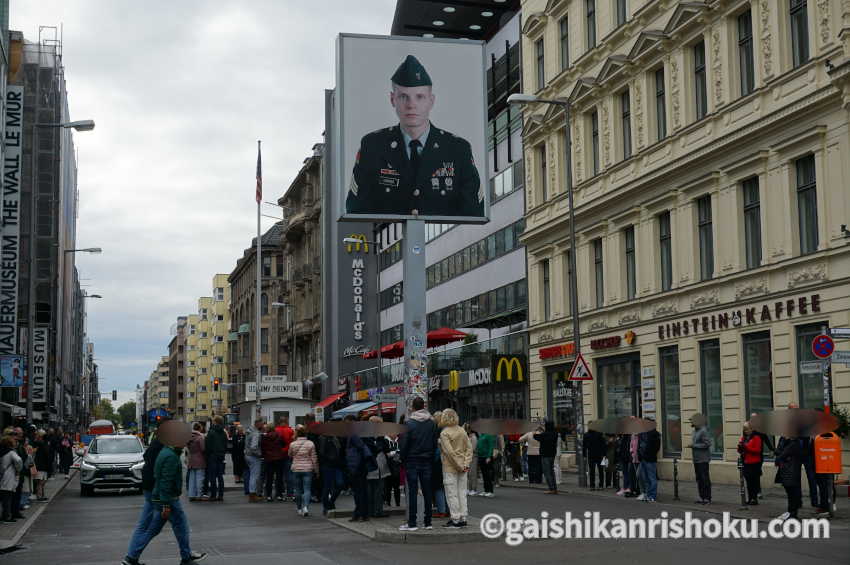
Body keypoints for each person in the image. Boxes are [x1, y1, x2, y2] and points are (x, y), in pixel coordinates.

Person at [345, 54, 483, 218]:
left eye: (419, 97)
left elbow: (474, 211)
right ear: (392, 99)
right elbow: (356, 209)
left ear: (431, 101)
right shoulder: (373, 146)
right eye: (404, 96)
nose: (411, 105)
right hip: (390, 239)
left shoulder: (458, 149)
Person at [124, 422, 207, 565]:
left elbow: (148, 459)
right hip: (161, 493)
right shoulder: (168, 452)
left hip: (154, 490)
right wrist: (165, 502)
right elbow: (165, 479)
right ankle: (185, 557)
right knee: (163, 526)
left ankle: (131, 557)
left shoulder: (160, 444)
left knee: (149, 527)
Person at [398, 396, 438, 531]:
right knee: (427, 491)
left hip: (412, 461)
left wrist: (403, 459)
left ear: (413, 407)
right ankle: (428, 522)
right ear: (424, 406)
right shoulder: (432, 423)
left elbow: (404, 445)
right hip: (427, 460)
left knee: (413, 492)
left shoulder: (409, 424)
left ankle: (413, 522)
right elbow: (434, 444)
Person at [438, 408, 472, 528]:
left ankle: (455, 518)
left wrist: (458, 466)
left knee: (451, 493)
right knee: (462, 492)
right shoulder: (462, 431)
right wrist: (465, 464)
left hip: (450, 467)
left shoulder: (444, 433)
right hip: (463, 467)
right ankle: (463, 516)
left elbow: (449, 453)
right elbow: (469, 449)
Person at [345, 415, 374, 522]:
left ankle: (361, 514)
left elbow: (361, 447)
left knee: (359, 491)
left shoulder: (354, 433)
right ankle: (360, 513)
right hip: (360, 465)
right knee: (361, 491)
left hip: (357, 466)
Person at [363, 416, 391, 518]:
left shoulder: (366, 435)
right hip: (376, 465)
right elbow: (382, 449)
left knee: (371, 490)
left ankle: (371, 511)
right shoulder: (378, 436)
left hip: (370, 466)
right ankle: (377, 511)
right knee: (378, 490)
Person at [289, 425, 318, 517]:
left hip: (296, 468)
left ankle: (299, 508)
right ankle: (305, 507)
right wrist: (317, 470)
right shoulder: (311, 443)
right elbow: (314, 458)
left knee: (297, 489)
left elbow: (289, 455)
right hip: (308, 469)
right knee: (307, 489)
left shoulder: (293, 444)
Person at [775, 432, 804, 521]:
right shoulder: (785, 441)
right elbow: (778, 452)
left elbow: (781, 455)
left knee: (792, 492)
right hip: (787, 471)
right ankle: (791, 512)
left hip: (791, 471)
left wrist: (779, 455)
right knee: (791, 492)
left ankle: (793, 513)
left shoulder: (794, 443)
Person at [318, 431, 345, 515]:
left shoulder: (336, 437)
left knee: (340, 484)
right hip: (327, 465)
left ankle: (330, 502)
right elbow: (321, 452)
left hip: (336, 465)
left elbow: (340, 450)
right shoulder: (322, 438)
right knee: (327, 486)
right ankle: (327, 506)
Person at [687, 414, 713, 504]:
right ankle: (701, 497)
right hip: (696, 459)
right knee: (699, 478)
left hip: (703, 459)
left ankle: (707, 498)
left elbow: (708, 444)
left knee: (704, 478)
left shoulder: (703, 431)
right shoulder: (695, 431)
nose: (691, 422)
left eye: (692, 421)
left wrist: (694, 445)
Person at [204, 416, 227, 502]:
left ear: (215, 422)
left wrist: (207, 455)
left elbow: (208, 445)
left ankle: (213, 495)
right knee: (220, 476)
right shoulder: (224, 432)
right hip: (221, 456)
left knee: (212, 476)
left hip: (212, 456)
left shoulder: (211, 432)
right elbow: (225, 445)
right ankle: (220, 495)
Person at [738, 423, 763, 505]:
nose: (746, 431)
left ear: (752, 429)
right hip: (746, 462)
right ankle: (750, 498)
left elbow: (757, 450)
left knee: (754, 481)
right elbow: (740, 450)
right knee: (748, 481)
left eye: (747, 429)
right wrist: (740, 447)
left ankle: (754, 499)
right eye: (745, 429)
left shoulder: (757, 438)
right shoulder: (744, 438)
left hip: (754, 462)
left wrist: (746, 447)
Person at [0, 434, 23, 523]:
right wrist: (18, 469)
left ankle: (4, 515)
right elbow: (18, 461)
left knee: (3, 497)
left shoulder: (2, 451)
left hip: (2, 476)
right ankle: (7, 516)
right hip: (9, 477)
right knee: (8, 497)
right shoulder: (11, 452)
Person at [260, 423, 285, 502]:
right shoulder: (280, 436)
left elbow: (262, 448)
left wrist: (264, 455)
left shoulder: (265, 437)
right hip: (279, 458)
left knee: (269, 477)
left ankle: (269, 495)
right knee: (279, 477)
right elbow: (283, 444)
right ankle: (279, 495)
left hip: (269, 458)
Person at [431, 411, 448, 518]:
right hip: (447, 462)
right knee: (446, 488)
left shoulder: (438, 431)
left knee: (438, 487)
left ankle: (442, 510)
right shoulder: (448, 430)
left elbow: (437, 450)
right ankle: (447, 509)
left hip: (438, 463)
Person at [534, 421, 558, 494]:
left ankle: (551, 488)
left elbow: (535, 436)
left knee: (547, 472)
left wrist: (536, 430)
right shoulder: (554, 434)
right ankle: (554, 488)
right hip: (552, 454)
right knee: (552, 471)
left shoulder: (544, 434)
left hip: (545, 455)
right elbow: (546, 434)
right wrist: (543, 430)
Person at [637, 426, 661, 502]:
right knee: (643, 477)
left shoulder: (655, 434)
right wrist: (640, 455)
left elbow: (656, 447)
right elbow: (640, 445)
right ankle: (647, 494)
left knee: (651, 478)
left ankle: (652, 496)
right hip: (643, 458)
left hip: (650, 459)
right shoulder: (642, 433)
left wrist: (648, 455)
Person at [275, 416, 295, 501]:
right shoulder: (290, 431)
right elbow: (292, 443)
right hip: (287, 455)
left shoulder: (275, 430)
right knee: (289, 475)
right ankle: (290, 493)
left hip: (277, 455)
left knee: (279, 475)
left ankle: (279, 493)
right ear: (286, 422)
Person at [244, 419, 264, 503]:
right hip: (253, 456)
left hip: (247, 455)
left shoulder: (249, 431)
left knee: (252, 475)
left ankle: (252, 494)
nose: (263, 425)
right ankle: (252, 495)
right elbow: (254, 447)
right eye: (262, 424)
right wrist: (260, 454)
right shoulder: (255, 433)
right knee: (254, 476)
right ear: (258, 424)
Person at [582, 425, 607, 490]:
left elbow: (584, 446)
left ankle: (592, 486)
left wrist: (584, 455)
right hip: (599, 455)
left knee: (592, 471)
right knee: (600, 471)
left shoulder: (586, 435)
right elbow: (603, 445)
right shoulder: (599, 434)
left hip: (591, 455)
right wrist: (604, 455)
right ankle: (600, 485)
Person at [186, 423, 206, 501]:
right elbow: (203, 448)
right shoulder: (200, 437)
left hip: (191, 459)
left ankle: (191, 494)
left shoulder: (189, 437)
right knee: (199, 478)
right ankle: (199, 495)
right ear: (200, 429)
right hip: (199, 459)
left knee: (192, 478)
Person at [476, 430, 497, 497]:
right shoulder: (481, 435)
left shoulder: (488, 435)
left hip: (486, 457)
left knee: (488, 475)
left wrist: (489, 456)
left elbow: (491, 446)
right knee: (484, 475)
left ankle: (490, 491)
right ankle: (486, 490)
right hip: (481, 457)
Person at [30, 430, 50, 501]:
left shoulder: (42, 443)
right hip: (40, 465)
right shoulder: (39, 444)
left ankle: (41, 495)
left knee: (42, 482)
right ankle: (39, 496)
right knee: (40, 482)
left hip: (43, 465)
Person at [383, 434, 402, 508]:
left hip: (397, 467)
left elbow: (400, 452)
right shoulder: (385, 441)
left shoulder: (399, 441)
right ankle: (388, 502)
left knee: (396, 487)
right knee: (388, 486)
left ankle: (398, 503)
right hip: (388, 466)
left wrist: (392, 453)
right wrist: (395, 452)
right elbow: (387, 454)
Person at [465, 425, 479, 495]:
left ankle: (474, 489)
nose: (467, 430)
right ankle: (469, 488)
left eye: (467, 429)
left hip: (473, 456)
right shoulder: (468, 437)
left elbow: (473, 448)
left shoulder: (474, 438)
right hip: (468, 456)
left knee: (472, 473)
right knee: (468, 473)